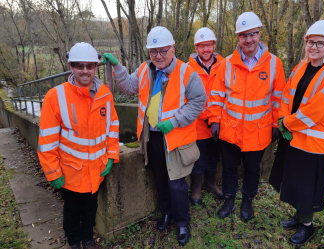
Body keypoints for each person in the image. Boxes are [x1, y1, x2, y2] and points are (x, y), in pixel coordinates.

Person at [102, 26, 206, 246]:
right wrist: (117, 67)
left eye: (163, 50)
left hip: (175, 137)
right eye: (153, 52)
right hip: (152, 137)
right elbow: (129, 87)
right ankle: (166, 213)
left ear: (172, 49)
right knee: (159, 178)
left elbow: (198, 102)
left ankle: (182, 223)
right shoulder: (144, 70)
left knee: (177, 183)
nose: (158, 56)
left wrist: (175, 121)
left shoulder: (187, 73)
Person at [269, 20, 324, 246]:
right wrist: (282, 119)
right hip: (295, 138)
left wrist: (287, 124)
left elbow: (316, 111)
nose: (313, 47)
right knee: (295, 183)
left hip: (315, 144)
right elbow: (286, 95)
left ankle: (307, 227)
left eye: (320, 43)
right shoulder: (301, 67)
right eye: (310, 42)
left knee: (308, 188)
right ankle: (298, 218)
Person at [37, 42, 120, 249]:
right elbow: (47, 140)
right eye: (79, 66)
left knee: (91, 207)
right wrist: (53, 173)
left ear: (95, 67)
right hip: (70, 172)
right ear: (71, 67)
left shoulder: (105, 94)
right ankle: (74, 242)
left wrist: (111, 155)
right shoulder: (55, 96)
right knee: (72, 211)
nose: (85, 71)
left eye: (89, 66)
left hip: (96, 170)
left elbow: (112, 126)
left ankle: (88, 239)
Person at [207, 12, 286, 221]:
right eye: (243, 36)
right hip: (230, 130)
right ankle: (230, 199)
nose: (248, 40)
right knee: (230, 168)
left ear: (260, 34)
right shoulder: (227, 64)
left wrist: (277, 122)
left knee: (252, 170)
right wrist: (214, 120)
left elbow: (279, 97)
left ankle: (248, 202)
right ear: (238, 38)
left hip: (258, 132)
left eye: (252, 34)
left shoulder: (273, 64)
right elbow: (216, 95)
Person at [187, 27, 225, 205]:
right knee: (198, 159)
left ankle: (210, 183)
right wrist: (209, 117)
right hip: (199, 125)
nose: (205, 50)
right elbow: (189, 98)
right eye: (201, 46)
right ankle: (196, 188)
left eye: (208, 45)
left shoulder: (225, 66)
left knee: (213, 156)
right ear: (196, 48)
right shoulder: (188, 69)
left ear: (214, 45)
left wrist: (216, 118)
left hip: (219, 124)